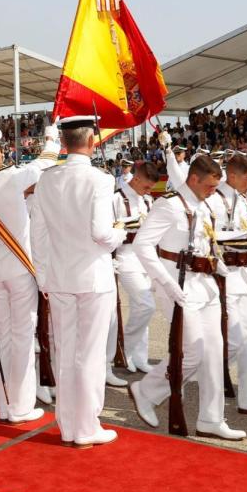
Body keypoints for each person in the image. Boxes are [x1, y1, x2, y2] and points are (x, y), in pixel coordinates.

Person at [127, 154, 247, 441]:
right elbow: (143, 246)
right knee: (192, 352)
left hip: (206, 285)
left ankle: (211, 418)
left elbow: (206, 240)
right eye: (208, 185)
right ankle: (147, 391)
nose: (212, 191)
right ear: (193, 179)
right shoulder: (168, 205)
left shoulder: (204, 205)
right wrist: (166, 283)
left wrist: (216, 261)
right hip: (178, 285)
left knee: (214, 354)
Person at [31, 115, 125, 448]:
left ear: (66, 142)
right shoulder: (99, 179)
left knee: (65, 351)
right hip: (92, 277)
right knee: (91, 353)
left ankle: (68, 424)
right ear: (91, 141)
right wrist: (122, 231)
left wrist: (43, 276)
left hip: (58, 276)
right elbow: (101, 232)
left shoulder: (47, 179)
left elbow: (37, 236)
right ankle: (86, 426)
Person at [206, 153, 247, 418]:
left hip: (243, 272)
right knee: (231, 340)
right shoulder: (214, 200)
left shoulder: (241, 199)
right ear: (232, 175)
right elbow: (208, 235)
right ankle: (173, 380)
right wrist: (238, 237)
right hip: (224, 273)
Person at [110, 161, 158, 378]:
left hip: (146, 258)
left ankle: (139, 357)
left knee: (145, 308)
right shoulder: (117, 198)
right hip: (126, 256)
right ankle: (124, 351)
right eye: (146, 186)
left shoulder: (148, 200)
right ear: (136, 179)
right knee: (144, 304)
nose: (148, 191)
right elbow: (108, 228)